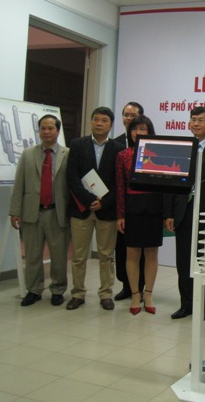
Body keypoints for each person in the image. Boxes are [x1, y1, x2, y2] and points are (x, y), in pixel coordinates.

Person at [164, 106, 205, 319]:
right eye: (193, 120)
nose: (196, 124)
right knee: (183, 261)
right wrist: (169, 213)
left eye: (201, 120)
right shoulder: (182, 148)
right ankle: (186, 304)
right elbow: (171, 183)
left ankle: (203, 306)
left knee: (203, 261)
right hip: (183, 211)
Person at [66, 107, 124, 311]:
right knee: (79, 256)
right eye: (96, 119)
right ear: (91, 122)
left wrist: (104, 202)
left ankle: (106, 294)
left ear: (111, 125)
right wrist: (90, 199)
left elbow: (119, 182)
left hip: (106, 211)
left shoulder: (118, 148)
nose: (99, 123)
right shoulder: (77, 144)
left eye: (104, 120)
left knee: (106, 256)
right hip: (81, 209)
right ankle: (78, 293)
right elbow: (72, 177)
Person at [9, 114, 69, 307]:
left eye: (50, 128)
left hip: (57, 213)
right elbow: (19, 184)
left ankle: (58, 290)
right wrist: (15, 211)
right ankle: (34, 290)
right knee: (33, 255)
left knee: (59, 255)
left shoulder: (67, 154)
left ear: (58, 131)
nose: (46, 132)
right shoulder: (28, 154)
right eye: (43, 128)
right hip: (32, 212)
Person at [116, 115, 164, 315]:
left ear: (149, 131)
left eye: (142, 129)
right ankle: (135, 294)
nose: (138, 132)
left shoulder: (159, 153)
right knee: (132, 254)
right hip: (132, 209)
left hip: (154, 208)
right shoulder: (123, 155)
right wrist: (120, 215)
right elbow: (120, 186)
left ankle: (148, 294)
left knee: (151, 253)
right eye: (134, 129)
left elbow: (164, 184)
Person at [113, 101, 145, 300]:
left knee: (142, 249)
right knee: (122, 248)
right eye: (126, 115)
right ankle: (126, 286)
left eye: (133, 115)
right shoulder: (115, 144)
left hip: (143, 206)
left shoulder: (150, 143)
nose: (129, 118)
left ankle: (140, 287)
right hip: (122, 205)